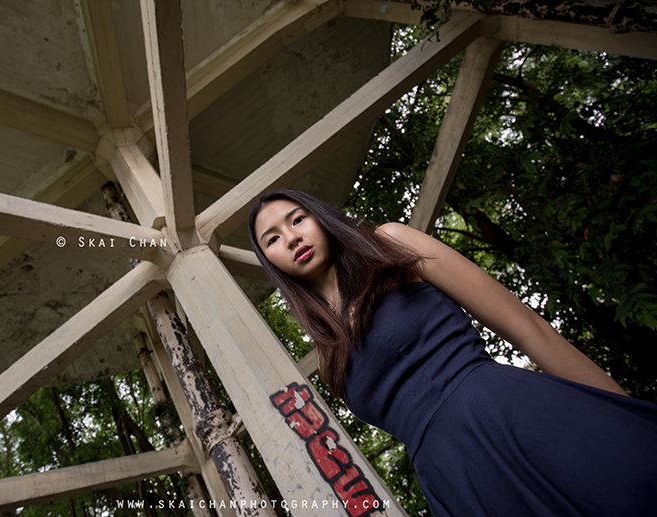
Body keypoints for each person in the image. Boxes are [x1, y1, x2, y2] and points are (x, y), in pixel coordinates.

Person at [248, 188, 657, 516]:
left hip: (508, 412)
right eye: (274, 239)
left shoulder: (389, 243)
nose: (292, 237)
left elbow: (527, 329)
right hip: (454, 478)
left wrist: (618, 415)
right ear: (271, 262)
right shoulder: (328, 355)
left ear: (320, 217)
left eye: (297, 219)